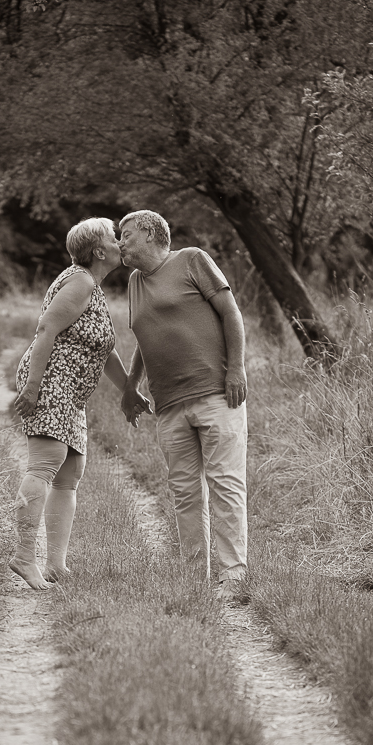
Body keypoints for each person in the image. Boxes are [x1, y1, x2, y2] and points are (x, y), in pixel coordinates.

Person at [12, 217, 151, 589]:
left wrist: (128, 390)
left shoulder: (94, 286)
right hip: (52, 382)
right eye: (112, 236)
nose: (120, 242)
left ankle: (55, 564)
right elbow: (45, 330)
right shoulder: (79, 280)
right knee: (44, 466)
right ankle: (25, 558)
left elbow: (103, 350)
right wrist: (33, 387)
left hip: (72, 393)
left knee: (69, 476)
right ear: (98, 250)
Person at [119, 209, 248, 602]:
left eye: (125, 234)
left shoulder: (192, 259)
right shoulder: (133, 282)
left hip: (216, 392)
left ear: (149, 234)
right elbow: (146, 336)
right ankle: (196, 575)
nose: (120, 242)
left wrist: (236, 369)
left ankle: (233, 575)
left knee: (225, 483)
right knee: (185, 493)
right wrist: (130, 385)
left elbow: (230, 312)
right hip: (169, 403)